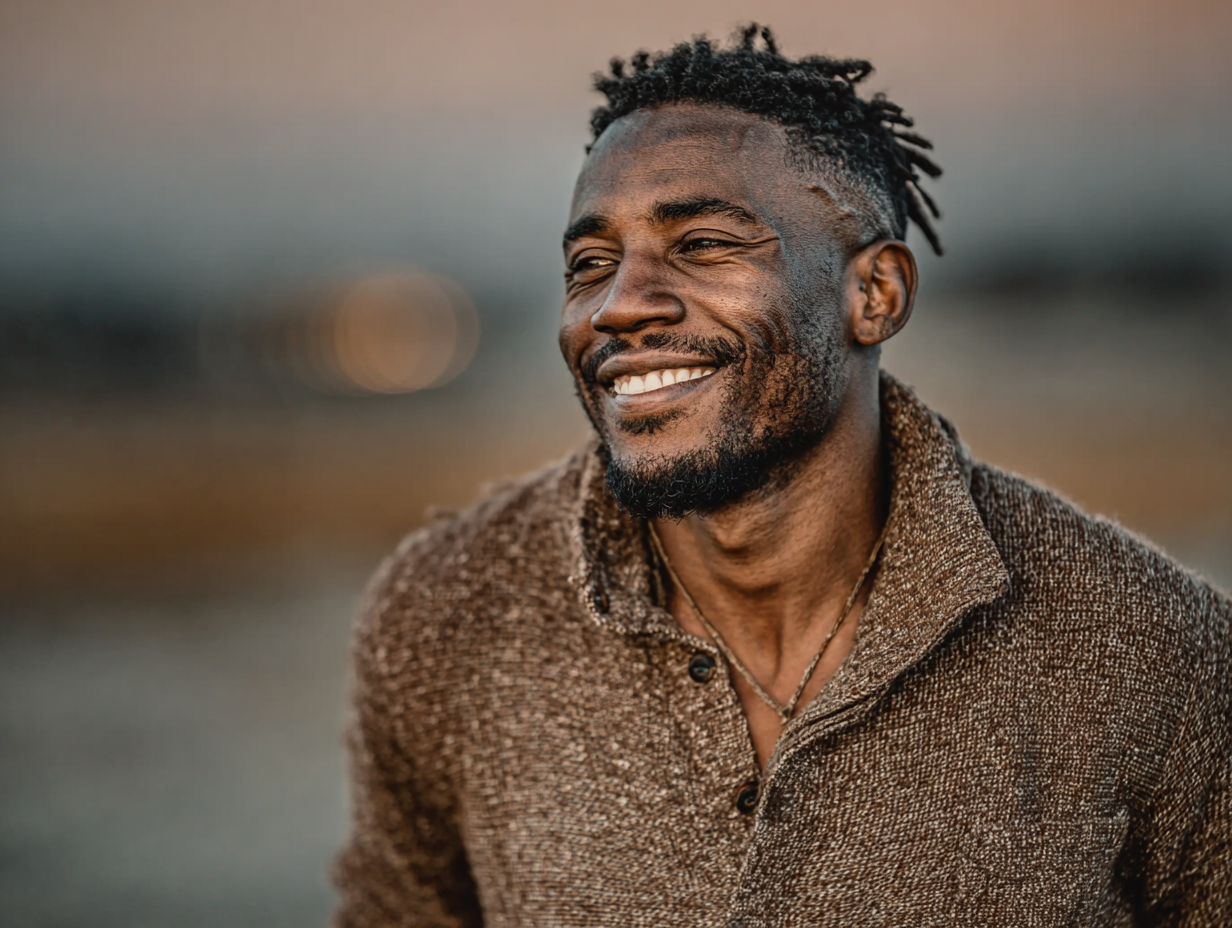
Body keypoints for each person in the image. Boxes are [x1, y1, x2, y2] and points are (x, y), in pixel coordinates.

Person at [333, 26, 1231, 926]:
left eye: (702, 243)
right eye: (590, 264)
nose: (619, 305)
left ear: (875, 294)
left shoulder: (1152, 650)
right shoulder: (449, 616)